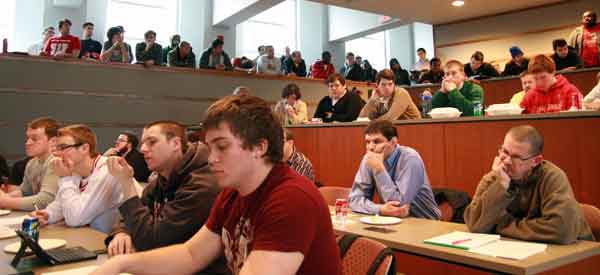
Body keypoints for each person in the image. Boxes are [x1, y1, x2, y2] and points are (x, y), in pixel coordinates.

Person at [92, 95, 342, 275]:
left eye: (222, 147)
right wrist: (121, 264)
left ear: (259, 147)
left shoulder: (291, 198)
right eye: (210, 148)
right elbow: (190, 255)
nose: (211, 158)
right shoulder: (232, 192)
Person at [103, 121, 227, 274]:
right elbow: (135, 212)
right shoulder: (164, 178)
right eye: (143, 143)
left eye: (152, 142)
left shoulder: (201, 185)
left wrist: (126, 183)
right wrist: (122, 232)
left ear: (175, 143)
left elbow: (153, 242)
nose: (142, 149)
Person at [464, 125, 594, 244]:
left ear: (535, 161)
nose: (507, 161)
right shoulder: (495, 177)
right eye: (505, 152)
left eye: (516, 157)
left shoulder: (552, 177)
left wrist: (501, 224)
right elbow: (474, 224)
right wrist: (501, 185)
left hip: (576, 256)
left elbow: (561, 230)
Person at [31, 124, 124, 233]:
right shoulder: (76, 172)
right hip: (93, 237)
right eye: (57, 148)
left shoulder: (108, 170)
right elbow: (61, 205)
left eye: (63, 147)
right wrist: (48, 215)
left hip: (117, 242)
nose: (57, 153)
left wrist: (65, 178)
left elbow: (75, 219)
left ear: (84, 148)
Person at [349, 120, 440, 219]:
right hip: (393, 222)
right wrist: (380, 209)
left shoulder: (410, 158)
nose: (370, 147)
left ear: (393, 142)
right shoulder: (369, 158)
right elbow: (354, 199)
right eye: (367, 142)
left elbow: (399, 206)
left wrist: (379, 169)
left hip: (425, 222)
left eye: (377, 141)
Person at [0, 118, 59, 210]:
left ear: (53, 141)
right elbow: (24, 192)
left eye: (34, 139)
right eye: (28, 138)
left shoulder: (57, 162)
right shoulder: (32, 163)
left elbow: (46, 200)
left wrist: (5, 201)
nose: (28, 143)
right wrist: (5, 197)